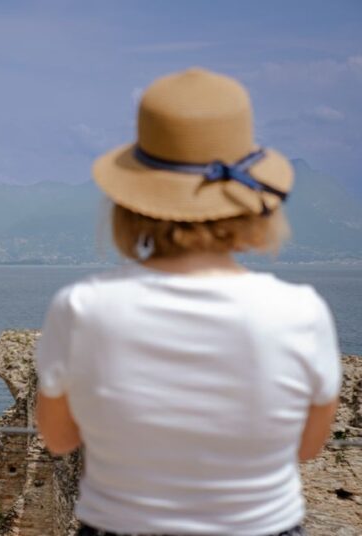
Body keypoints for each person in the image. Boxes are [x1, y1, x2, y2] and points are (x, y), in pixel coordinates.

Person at [34, 68, 341, 536]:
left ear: (131, 201)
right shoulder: (301, 311)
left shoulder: (81, 308)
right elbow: (307, 448)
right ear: (253, 201)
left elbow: (58, 438)